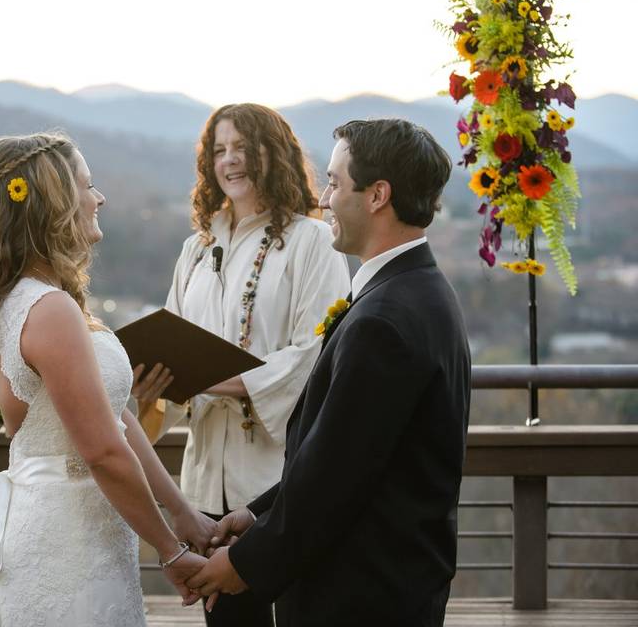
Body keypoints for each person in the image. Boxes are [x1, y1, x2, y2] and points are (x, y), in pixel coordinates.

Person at [187, 118, 472, 627]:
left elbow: (336, 481)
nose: (323, 198)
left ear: (378, 195)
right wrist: (256, 513)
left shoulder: (384, 320)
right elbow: (342, 453)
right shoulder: (420, 291)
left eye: (336, 183)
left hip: (362, 597)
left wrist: (244, 564)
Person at [0, 133, 214, 626]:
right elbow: (101, 450)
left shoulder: (47, 297)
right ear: (55, 202)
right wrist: (170, 551)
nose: (100, 198)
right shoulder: (48, 309)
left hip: (89, 532)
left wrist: (181, 513)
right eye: (88, 185)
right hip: (64, 539)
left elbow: (116, 417)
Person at [135, 103, 349, 626]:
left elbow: (318, 353)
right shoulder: (195, 250)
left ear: (271, 154)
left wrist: (222, 380)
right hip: (206, 480)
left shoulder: (311, 240)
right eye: (218, 151)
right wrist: (147, 389)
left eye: (241, 149)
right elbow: (172, 349)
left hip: (280, 482)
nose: (229, 162)